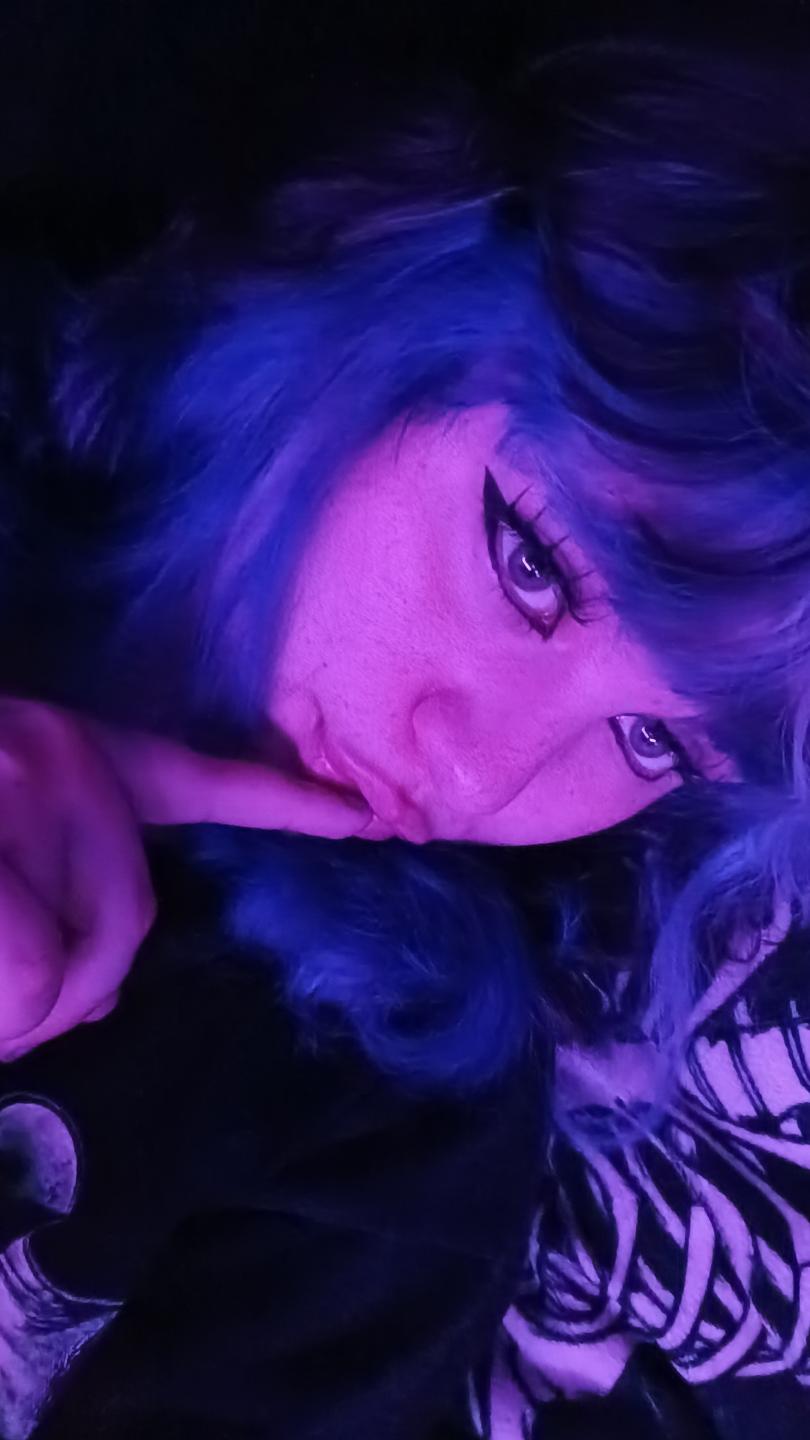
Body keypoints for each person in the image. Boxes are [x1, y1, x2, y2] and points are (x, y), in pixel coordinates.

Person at [0, 32, 809, 1440]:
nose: (484, 770)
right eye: (529, 565)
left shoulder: (402, 1119)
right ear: (380, 269)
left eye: (649, 744)